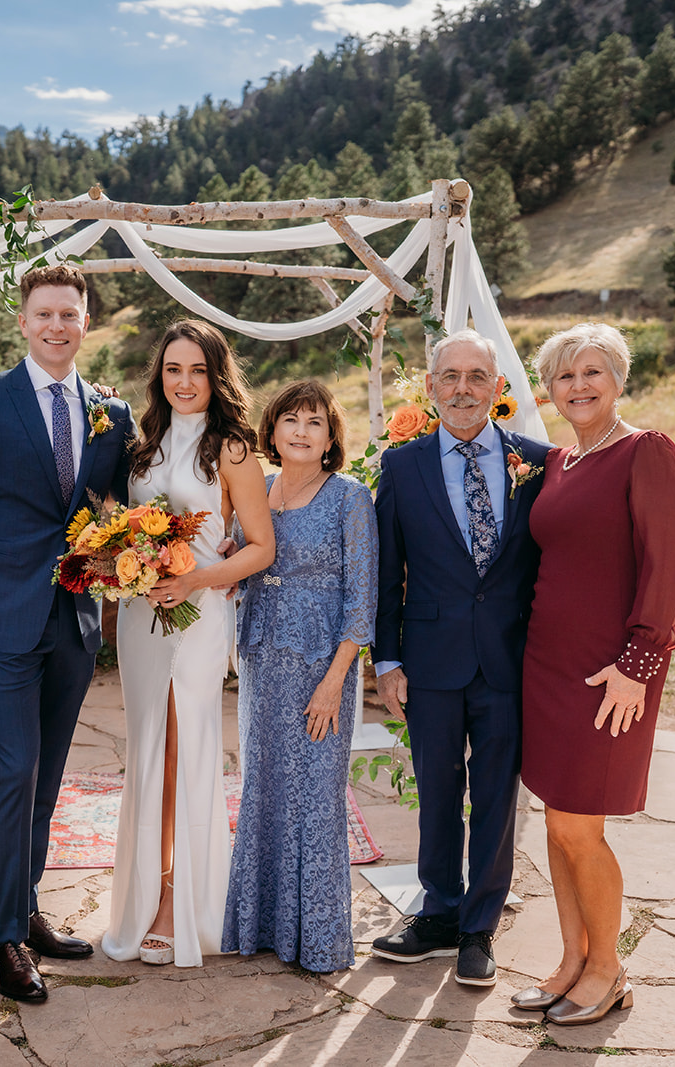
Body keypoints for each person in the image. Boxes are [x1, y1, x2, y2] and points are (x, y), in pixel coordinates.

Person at [0, 263, 138, 1003]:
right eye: (45, 313)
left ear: (87, 322)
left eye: (70, 314)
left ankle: (28, 910)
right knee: (16, 773)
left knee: (49, 780)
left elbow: (113, 507)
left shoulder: (111, 414)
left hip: (77, 623)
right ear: (23, 321)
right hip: (4, 621)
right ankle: (6, 941)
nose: (57, 325)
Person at [513, 322, 675, 1026]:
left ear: (618, 378)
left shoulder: (646, 452)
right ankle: (570, 959)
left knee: (581, 828)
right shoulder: (560, 462)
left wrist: (636, 666)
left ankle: (608, 969)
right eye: (564, 375)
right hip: (546, 668)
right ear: (550, 390)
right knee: (557, 825)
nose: (578, 385)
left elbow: (668, 566)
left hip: (608, 675)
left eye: (592, 372)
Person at [371, 328, 551, 989]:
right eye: (451, 376)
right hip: (430, 660)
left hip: (508, 663)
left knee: (498, 796)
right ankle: (439, 912)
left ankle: (479, 927)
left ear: (498, 387)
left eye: (479, 376)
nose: (464, 388)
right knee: (438, 791)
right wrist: (386, 659)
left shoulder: (536, 462)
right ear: (431, 386)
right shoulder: (402, 466)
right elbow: (388, 573)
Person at [101, 319, 274, 969]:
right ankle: (144, 895)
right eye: (173, 369)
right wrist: (129, 563)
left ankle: (179, 903)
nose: (183, 381)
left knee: (184, 750)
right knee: (149, 753)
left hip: (198, 619)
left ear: (215, 375)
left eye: (197, 370)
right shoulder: (141, 444)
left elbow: (261, 545)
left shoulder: (230, 449)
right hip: (143, 622)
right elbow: (124, 524)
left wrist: (197, 577)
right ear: (159, 376)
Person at [222, 380, 376, 974]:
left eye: (315, 422)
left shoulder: (349, 497)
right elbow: (238, 558)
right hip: (263, 660)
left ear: (331, 434)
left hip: (321, 668)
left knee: (315, 798)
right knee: (263, 788)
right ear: (273, 430)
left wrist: (336, 679)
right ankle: (261, 928)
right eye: (290, 420)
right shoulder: (256, 490)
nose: (302, 432)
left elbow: (361, 603)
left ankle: (315, 940)